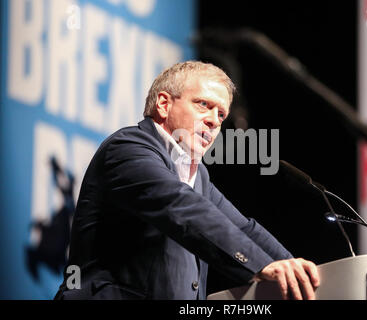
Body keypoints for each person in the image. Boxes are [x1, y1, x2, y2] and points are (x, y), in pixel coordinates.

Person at [54, 61, 320, 300]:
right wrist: (261, 264)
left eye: (221, 115)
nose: (214, 121)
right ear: (164, 104)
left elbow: (243, 228)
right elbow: (182, 207)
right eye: (204, 104)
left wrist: (299, 271)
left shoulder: (197, 175)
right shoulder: (128, 148)